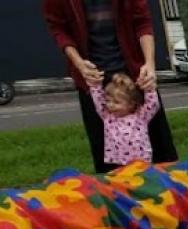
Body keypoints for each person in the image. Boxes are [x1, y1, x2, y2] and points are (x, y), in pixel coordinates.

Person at [43, 0, 178, 174]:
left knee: (161, 150)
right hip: (93, 77)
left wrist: (149, 65)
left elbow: (142, 21)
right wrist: (79, 64)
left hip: (133, 76)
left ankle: (168, 194)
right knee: (105, 157)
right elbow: (58, 29)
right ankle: (114, 196)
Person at [88, 72, 161, 167]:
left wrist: (149, 89)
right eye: (108, 101)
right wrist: (95, 85)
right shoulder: (107, 116)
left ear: (131, 103)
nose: (110, 105)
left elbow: (153, 104)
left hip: (141, 162)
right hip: (118, 162)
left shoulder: (141, 116)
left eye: (116, 102)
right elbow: (98, 100)